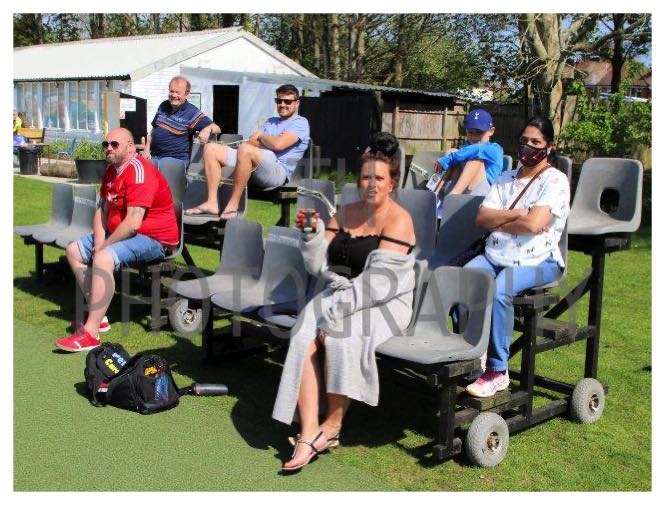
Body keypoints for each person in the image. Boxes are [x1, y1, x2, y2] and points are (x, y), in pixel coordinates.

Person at [272, 148, 417, 472]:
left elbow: (377, 285)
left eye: (379, 178)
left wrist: (334, 316)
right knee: (302, 335)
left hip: (385, 302)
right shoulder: (344, 212)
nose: (371, 184)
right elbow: (318, 266)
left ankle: (333, 425)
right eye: (365, 177)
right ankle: (309, 429)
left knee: (340, 337)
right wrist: (311, 236)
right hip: (339, 291)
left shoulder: (400, 220)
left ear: (392, 182)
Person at [464, 116, 570, 397]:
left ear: (549, 147)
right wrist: (519, 214)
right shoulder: (504, 178)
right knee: (461, 281)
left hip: (540, 260)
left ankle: (498, 371)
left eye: (536, 142)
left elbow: (534, 225)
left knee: (501, 291)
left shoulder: (555, 181)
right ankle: (474, 354)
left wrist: (501, 221)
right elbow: (482, 218)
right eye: (524, 141)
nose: (528, 147)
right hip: (496, 254)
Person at [54, 127, 179, 352]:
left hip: (154, 238)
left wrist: (104, 246)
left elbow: (133, 223)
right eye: (106, 144)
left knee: (103, 258)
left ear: (130, 147)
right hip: (121, 234)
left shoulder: (140, 171)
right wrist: (99, 242)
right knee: (73, 251)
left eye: (114, 144)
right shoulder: (112, 171)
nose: (108, 148)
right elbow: (101, 210)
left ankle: (91, 334)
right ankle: (99, 315)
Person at [185, 84, 310, 219]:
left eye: (287, 101)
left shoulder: (300, 123)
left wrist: (262, 136)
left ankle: (233, 205)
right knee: (211, 148)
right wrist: (270, 141)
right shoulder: (271, 121)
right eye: (279, 101)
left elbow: (278, 145)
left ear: (297, 103)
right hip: (255, 160)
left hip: (278, 171)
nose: (282, 104)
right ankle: (212, 203)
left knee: (245, 150)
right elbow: (251, 142)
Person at [144, 76, 220, 172]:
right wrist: (146, 150)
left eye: (177, 92)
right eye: (171, 91)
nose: (174, 95)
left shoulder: (192, 112)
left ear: (186, 94)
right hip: (155, 156)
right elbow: (154, 129)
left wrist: (207, 129)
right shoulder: (163, 106)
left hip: (176, 160)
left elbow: (217, 128)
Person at [434, 108, 504, 205]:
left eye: (479, 132)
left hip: (486, 195)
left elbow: (476, 149)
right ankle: (435, 196)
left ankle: (452, 199)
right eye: (470, 132)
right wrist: (450, 156)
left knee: (475, 161)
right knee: (453, 152)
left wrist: (447, 159)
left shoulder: (494, 149)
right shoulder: (465, 148)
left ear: (491, 131)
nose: (474, 136)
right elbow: (461, 154)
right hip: (464, 191)